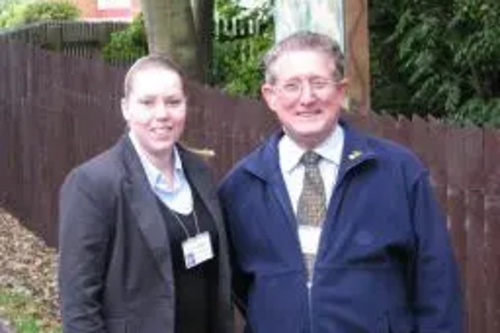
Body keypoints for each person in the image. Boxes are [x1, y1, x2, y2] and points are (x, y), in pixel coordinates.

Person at [218, 31, 463, 333]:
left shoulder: (398, 172)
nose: (307, 98)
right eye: (292, 85)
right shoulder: (241, 186)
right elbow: (238, 286)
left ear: (341, 90)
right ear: (270, 96)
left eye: (319, 83)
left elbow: (436, 283)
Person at [58, 55, 233, 333]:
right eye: (147, 102)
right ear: (126, 109)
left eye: (173, 102)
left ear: (186, 105)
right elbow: (78, 305)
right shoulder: (93, 184)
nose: (162, 114)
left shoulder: (199, 172)